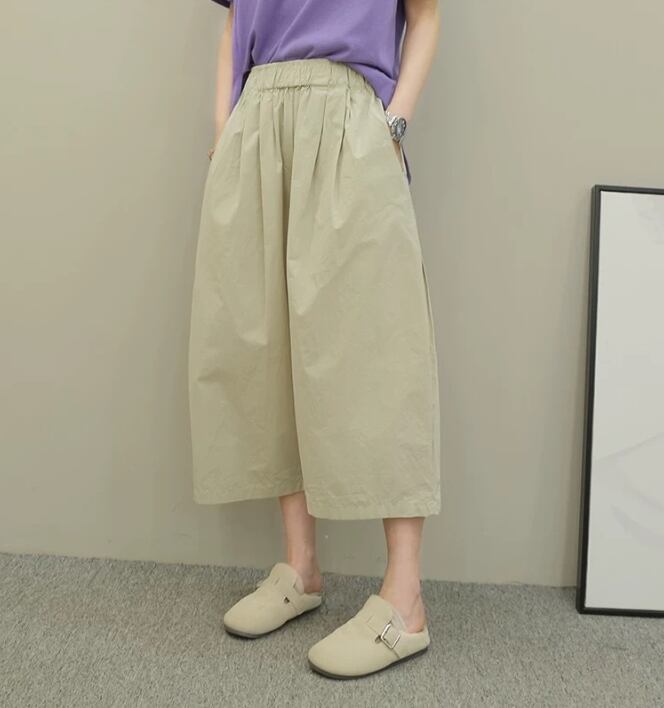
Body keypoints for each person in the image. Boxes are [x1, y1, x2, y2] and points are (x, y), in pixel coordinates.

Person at [188, 0, 441, 679]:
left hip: (348, 114)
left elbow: (425, 16)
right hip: (257, 118)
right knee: (267, 347)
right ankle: (300, 567)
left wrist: (393, 124)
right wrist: (224, 129)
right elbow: (234, 25)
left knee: (378, 348)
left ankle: (405, 600)